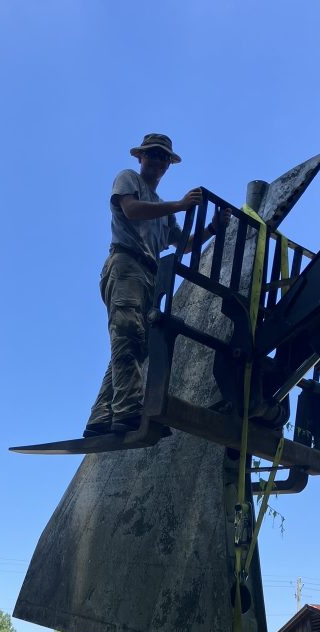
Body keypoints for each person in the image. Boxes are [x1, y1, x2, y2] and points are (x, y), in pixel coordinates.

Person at [84, 133, 224, 437]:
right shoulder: (129, 179)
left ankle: (101, 415)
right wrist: (180, 204)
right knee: (126, 333)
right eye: (154, 154)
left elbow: (184, 245)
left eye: (164, 157)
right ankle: (128, 411)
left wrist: (213, 228)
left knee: (137, 344)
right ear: (141, 157)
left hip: (149, 275)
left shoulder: (161, 208)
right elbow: (131, 210)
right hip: (126, 264)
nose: (159, 161)